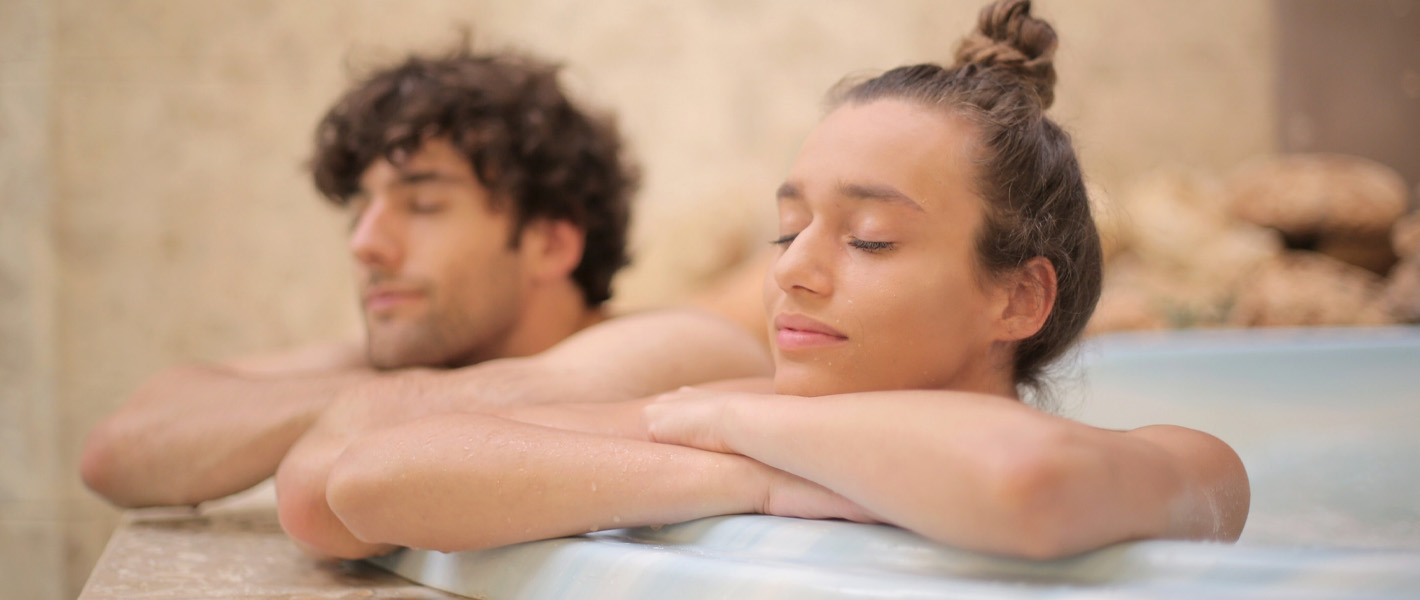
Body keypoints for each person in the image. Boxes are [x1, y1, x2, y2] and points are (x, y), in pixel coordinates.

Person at [281, 0, 1250, 561]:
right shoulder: (734, 419)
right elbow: (356, 485)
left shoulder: (1183, 462)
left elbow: (1024, 484)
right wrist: (749, 473)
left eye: (867, 240)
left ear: (1018, 298)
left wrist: (741, 433)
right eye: (789, 229)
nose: (791, 270)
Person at [79, 45, 772, 510]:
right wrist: (377, 393)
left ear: (551, 243)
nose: (366, 243)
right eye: (361, 206)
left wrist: (366, 401)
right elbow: (118, 451)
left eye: (424, 203)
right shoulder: (421, 356)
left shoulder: (679, 345)